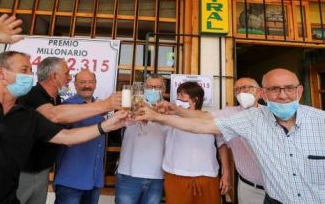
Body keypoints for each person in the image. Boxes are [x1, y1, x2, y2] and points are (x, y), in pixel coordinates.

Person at [0, 14, 127, 204]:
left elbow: (66, 137)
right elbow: (55, 115)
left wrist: (106, 126)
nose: (30, 75)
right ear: (1, 73)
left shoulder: (28, 117)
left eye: (30, 70)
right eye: (24, 70)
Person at [137, 68, 325, 204]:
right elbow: (202, 122)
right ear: (265, 94)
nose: (282, 95)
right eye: (274, 89)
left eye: (289, 88)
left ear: (299, 91)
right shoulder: (244, 117)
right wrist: (162, 114)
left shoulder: (320, 121)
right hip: (259, 191)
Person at [17, 57, 122, 204]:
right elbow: (55, 115)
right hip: (23, 172)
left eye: (91, 82)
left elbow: (63, 136)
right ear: (54, 76)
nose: (69, 77)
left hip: (43, 171)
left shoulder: (57, 99)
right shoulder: (34, 95)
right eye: (67, 74)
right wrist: (106, 105)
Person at [162, 81, 230, 204]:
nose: (178, 99)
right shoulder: (170, 118)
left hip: (207, 176)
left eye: (182, 96)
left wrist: (226, 173)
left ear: (195, 99)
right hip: (175, 175)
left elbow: (222, 145)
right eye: (177, 96)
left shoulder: (211, 119)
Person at [53, 69, 107, 204]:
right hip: (70, 182)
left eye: (90, 82)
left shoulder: (102, 108)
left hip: (94, 182)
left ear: (95, 84)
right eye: (82, 82)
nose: (87, 86)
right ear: (75, 85)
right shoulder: (66, 107)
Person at [115, 74, 167, 204]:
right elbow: (122, 119)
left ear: (164, 90)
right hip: (128, 175)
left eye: (157, 87)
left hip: (157, 176)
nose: (153, 90)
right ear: (144, 89)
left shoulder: (170, 111)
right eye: (149, 87)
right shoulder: (132, 105)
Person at [212, 77, 265, 204]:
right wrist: (226, 173)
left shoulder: (271, 113)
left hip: (278, 187)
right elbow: (205, 118)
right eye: (238, 89)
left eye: (247, 88)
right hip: (249, 187)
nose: (242, 92)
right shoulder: (229, 114)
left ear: (259, 92)